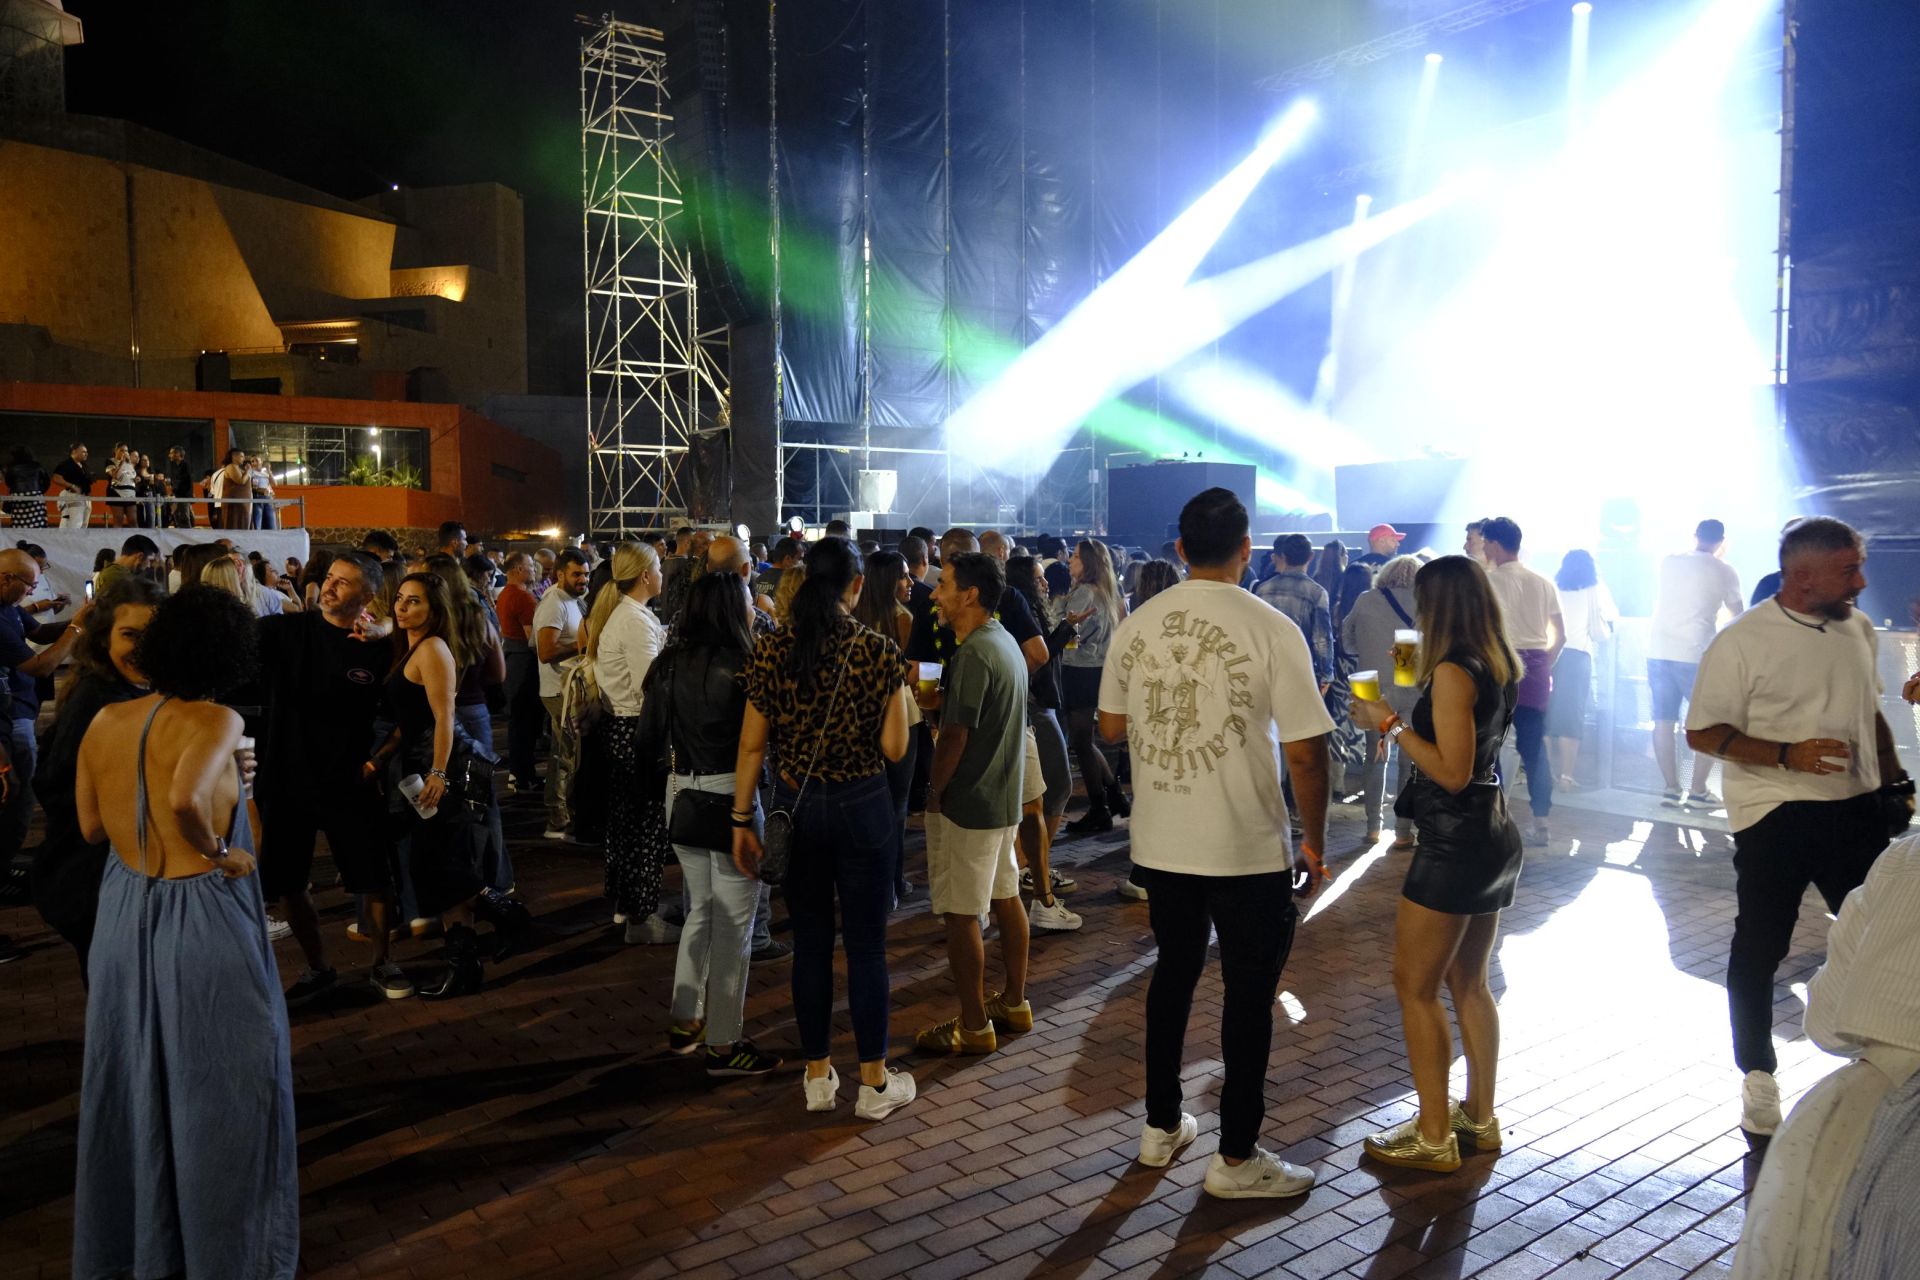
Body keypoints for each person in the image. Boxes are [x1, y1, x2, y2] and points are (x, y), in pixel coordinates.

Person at [1098, 487, 1330, 1198]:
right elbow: (1306, 752)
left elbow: (1109, 728)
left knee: (1173, 974)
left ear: (1179, 549)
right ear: (1246, 549)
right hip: (1245, 844)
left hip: (1163, 840)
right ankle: (1235, 1157)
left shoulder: (1139, 623)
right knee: (1248, 995)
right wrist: (1315, 841)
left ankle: (1161, 1124)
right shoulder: (1271, 628)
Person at [72, 584, 298, 1280]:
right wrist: (220, 851)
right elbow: (182, 798)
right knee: (225, 1088)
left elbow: (90, 826)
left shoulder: (105, 717)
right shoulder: (218, 717)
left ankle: (142, 1249)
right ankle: (226, 1257)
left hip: (122, 909)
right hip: (199, 910)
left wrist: (229, 782)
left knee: (133, 1081)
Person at [1682, 517, 1909, 1140]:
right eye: (1849, 569)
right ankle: (1758, 1074)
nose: (1862, 582)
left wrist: (1894, 781)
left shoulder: (1857, 627)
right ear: (1802, 576)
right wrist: (1787, 755)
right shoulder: (1742, 641)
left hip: (1856, 807)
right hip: (1773, 811)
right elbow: (1702, 732)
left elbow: (1869, 711)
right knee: (1761, 944)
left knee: (1881, 937)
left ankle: (1878, 1063)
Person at [1349, 555, 1524, 1173]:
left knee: (1415, 986)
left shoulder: (1454, 672)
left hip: (1453, 841)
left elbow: (1450, 772)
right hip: (1490, 832)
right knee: (1469, 982)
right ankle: (1478, 1117)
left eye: (1424, 604)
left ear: (1438, 606)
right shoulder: (1495, 661)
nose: (1418, 613)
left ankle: (1432, 1135)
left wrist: (1390, 722)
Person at [733, 536, 915, 1120]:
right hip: (862, 803)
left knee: (810, 944)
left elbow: (751, 745)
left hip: (797, 805)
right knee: (866, 947)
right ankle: (874, 1082)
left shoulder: (773, 648)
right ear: (856, 586)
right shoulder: (878, 649)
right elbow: (895, 748)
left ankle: (816, 1076)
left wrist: (741, 817)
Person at [255, 552, 413, 1003]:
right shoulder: (284, 631)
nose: (329, 586)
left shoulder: (380, 648)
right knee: (287, 882)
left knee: (373, 877)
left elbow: (408, 715)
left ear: (368, 593)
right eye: (329, 577)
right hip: (286, 778)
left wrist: (377, 761)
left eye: (343, 582)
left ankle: (382, 961)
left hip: (350, 781)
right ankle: (318, 967)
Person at [656, 572, 781, 1077]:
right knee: (734, 925)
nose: (754, 608)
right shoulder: (749, 665)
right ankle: (725, 1045)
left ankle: (687, 1015)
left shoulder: (667, 663)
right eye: (748, 600)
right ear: (733, 607)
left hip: (681, 791)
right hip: (733, 794)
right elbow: (759, 742)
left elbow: (648, 739)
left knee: (702, 910)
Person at [914, 553, 1033, 1054]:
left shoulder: (974, 653)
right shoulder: (1003, 643)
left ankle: (974, 1024)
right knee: (1006, 896)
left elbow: (956, 735)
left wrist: (934, 792)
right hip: (1002, 798)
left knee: (962, 913)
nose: (935, 596)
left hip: (970, 803)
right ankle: (1015, 1002)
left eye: (943, 585)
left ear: (970, 594)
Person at [30, 577, 163, 978]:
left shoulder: (125, 689)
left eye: (154, 635)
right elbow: (81, 810)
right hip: (96, 883)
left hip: (105, 880)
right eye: (130, 634)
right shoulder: (105, 702)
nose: (143, 647)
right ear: (104, 638)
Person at [375, 572, 499, 999]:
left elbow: (445, 717)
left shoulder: (432, 648)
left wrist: (439, 773)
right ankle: (472, 956)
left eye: (414, 601)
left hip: (440, 766)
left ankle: (490, 933)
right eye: (400, 598)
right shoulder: (409, 645)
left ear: (435, 609)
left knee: (441, 865)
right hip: (419, 765)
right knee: (439, 866)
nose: (402, 606)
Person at [590, 542, 672, 939]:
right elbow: (649, 685)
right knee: (644, 825)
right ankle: (641, 915)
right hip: (636, 731)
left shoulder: (626, 614)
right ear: (644, 575)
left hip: (622, 729)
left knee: (627, 823)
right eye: (658, 567)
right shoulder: (634, 621)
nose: (662, 574)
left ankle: (629, 906)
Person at [0, 548, 90, 884]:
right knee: (18, 793)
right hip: (11, 716)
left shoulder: (10, 608)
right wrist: (77, 629)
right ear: (6, 579)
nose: (32, 592)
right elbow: (41, 666)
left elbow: (39, 633)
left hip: (19, 706)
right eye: (29, 584)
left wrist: (82, 618)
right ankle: (4, 866)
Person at [1003, 555, 1081, 926]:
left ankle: (1034, 866)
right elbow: (1037, 657)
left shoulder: (1031, 609)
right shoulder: (1019, 612)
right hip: (1035, 706)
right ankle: (1032, 868)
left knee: (1042, 793)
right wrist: (1063, 631)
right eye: (1039, 578)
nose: (1046, 583)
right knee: (1055, 788)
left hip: (1042, 704)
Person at [1479, 516, 1563, 846]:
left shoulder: (1487, 582)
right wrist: (1545, 663)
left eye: (1485, 544)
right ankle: (1542, 821)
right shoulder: (1543, 582)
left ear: (1494, 545)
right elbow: (1561, 634)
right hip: (1537, 668)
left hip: (1498, 666)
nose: (1484, 550)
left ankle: (1497, 816)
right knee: (1534, 748)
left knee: (1491, 745)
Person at [1649, 518, 1744, 806]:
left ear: (1695, 536)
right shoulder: (1725, 570)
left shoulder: (1669, 561)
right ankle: (1698, 790)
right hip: (1694, 653)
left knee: (1663, 721)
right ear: (1722, 541)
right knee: (1710, 722)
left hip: (1658, 649)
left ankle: (1670, 787)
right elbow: (1738, 616)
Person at [1343, 555, 1424, 845]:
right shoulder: (1425, 602)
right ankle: (1403, 830)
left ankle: (1372, 828)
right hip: (1410, 681)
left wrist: (1369, 650)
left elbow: (1347, 641)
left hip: (1370, 684)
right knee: (1409, 758)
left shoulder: (1366, 599)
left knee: (1376, 756)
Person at [1061, 539, 1129, 835]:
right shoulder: (1109, 592)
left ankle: (1100, 807)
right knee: (1084, 740)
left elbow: (1067, 631)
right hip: (1098, 670)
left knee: (1081, 742)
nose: (1070, 560)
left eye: (1076, 556)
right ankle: (1114, 796)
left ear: (1088, 562)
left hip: (1079, 670)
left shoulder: (1084, 593)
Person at [1547, 549, 1617, 790]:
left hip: (1548, 654)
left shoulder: (1552, 585)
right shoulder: (1594, 589)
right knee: (1570, 717)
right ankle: (1566, 777)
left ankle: (1546, 773)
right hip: (1576, 657)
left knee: (1545, 715)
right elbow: (1602, 627)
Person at [534, 549, 591, 840]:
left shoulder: (573, 600)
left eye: (586, 574)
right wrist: (583, 646)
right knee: (564, 754)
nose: (583, 579)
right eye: (576, 574)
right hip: (558, 690)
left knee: (570, 752)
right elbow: (545, 652)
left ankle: (565, 811)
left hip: (570, 689)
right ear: (560, 574)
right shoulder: (553, 604)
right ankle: (556, 817)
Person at [1253, 534, 1334, 688]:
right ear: (1311, 556)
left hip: (1267, 667)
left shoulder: (1263, 589)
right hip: (1300, 668)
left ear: (1283, 556)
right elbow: (1322, 639)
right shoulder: (1317, 592)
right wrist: (1326, 674)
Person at [497, 552, 543, 794]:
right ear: (517, 569)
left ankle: (519, 774)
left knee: (518, 722)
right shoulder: (523, 597)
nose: (534, 569)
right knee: (525, 722)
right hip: (524, 663)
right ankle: (523, 776)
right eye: (530, 565)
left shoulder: (505, 594)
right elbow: (532, 638)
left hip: (511, 660)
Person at [92, 534, 160, 597]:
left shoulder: (111, 571)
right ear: (140, 556)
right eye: (150, 560)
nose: (149, 565)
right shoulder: (119, 576)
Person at [4, 446, 49, 528]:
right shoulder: (37, 466)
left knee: (19, 521)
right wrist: (38, 492)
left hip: (18, 497)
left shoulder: (11, 468)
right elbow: (46, 482)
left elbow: (8, 483)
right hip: (36, 497)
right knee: (37, 522)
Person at [51, 441, 94, 529]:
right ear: (74, 451)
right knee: (75, 525)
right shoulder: (66, 464)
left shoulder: (83, 465)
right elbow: (56, 478)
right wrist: (72, 486)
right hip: (74, 496)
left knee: (83, 526)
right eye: (83, 452)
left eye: (86, 452)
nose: (86, 454)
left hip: (86, 498)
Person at [217, 447, 253, 531]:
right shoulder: (231, 467)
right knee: (234, 524)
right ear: (234, 456)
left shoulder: (238, 468)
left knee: (242, 524)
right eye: (241, 456)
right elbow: (240, 481)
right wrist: (247, 471)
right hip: (234, 503)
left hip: (242, 503)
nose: (244, 459)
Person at [250, 455, 276, 530]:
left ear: (261, 462)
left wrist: (269, 470)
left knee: (271, 522)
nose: (254, 463)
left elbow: (274, 483)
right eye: (252, 461)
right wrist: (262, 491)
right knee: (257, 523)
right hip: (257, 498)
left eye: (256, 460)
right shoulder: (251, 472)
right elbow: (253, 487)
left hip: (268, 498)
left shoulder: (266, 472)